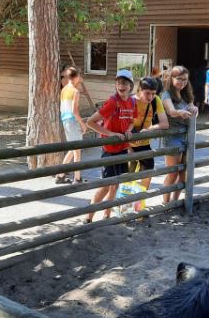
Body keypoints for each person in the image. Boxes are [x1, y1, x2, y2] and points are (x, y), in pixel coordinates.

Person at [84, 69, 137, 223]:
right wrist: (110, 134)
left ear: (131, 85)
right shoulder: (113, 101)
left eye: (125, 83)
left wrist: (128, 131)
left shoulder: (133, 101)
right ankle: (88, 217)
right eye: (119, 82)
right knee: (105, 185)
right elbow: (90, 122)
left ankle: (107, 215)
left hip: (123, 148)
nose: (121, 85)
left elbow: (133, 120)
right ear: (115, 85)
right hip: (110, 150)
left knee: (116, 184)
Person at [161, 66, 198, 204]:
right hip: (172, 137)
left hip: (187, 137)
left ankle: (175, 201)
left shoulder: (186, 94)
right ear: (171, 78)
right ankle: (166, 203)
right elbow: (171, 111)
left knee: (184, 174)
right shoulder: (166, 94)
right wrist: (180, 112)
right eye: (179, 79)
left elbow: (192, 108)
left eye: (185, 79)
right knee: (172, 173)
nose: (182, 82)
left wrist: (194, 109)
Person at [129, 77, 169, 190]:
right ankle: (124, 204)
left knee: (148, 174)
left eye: (153, 93)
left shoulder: (156, 100)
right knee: (127, 178)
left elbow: (165, 124)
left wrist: (149, 129)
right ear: (139, 90)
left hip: (144, 144)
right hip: (127, 145)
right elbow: (119, 127)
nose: (150, 97)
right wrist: (127, 147)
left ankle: (140, 201)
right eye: (147, 93)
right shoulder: (130, 101)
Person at [55, 67, 87, 184]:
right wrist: (82, 124)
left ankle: (60, 175)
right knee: (77, 151)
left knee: (72, 150)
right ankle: (77, 179)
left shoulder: (63, 90)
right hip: (73, 122)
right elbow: (74, 111)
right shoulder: (75, 91)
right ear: (77, 77)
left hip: (65, 121)